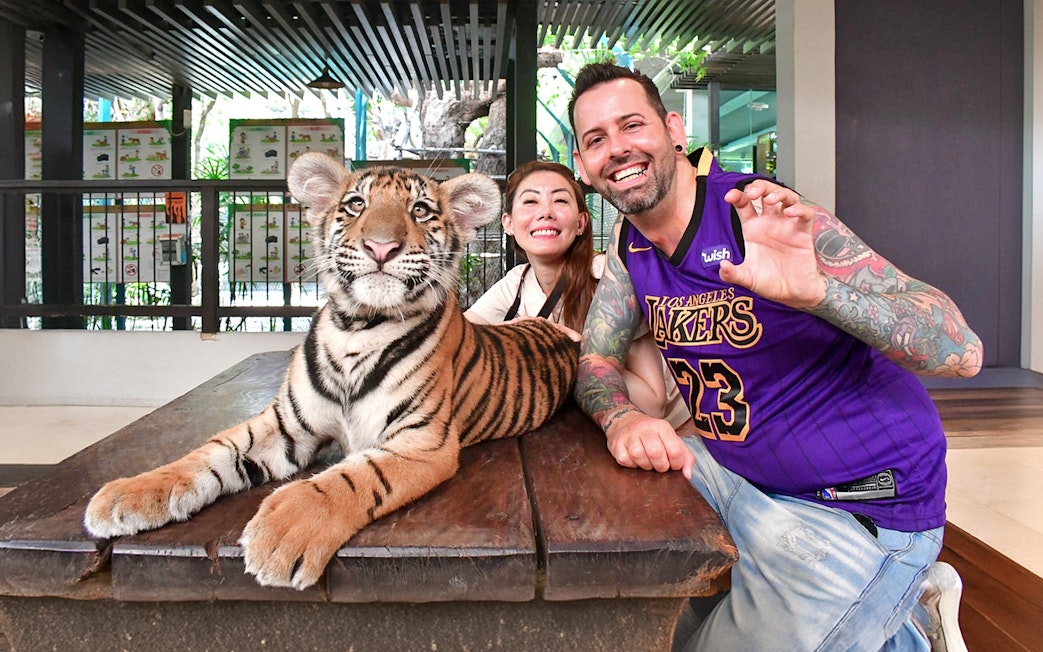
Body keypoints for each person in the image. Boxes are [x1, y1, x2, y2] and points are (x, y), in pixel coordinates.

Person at [567, 62, 983, 652]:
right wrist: (623, 418)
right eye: (596, 139)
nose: (617, 149)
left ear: (673, 129)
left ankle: (893, 595)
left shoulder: (758, 215)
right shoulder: (632, 245)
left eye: (632, 125)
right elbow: (597, 360)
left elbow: (962, 351)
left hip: (856, 507)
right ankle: (895, 621)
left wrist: (819, 293)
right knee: (629, 607)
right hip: (735, 476)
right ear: (584, 166)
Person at [466, 160, 689, 429]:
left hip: (678, 433)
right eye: (530, 202)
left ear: (581, 222)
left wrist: (561, 347)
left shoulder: (610, 277)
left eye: (560, 200)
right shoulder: (517, 282)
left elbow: (653, 404)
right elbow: (458, 340)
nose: (546, 212)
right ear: (509, 223)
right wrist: (519, 334)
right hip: (594, 432)